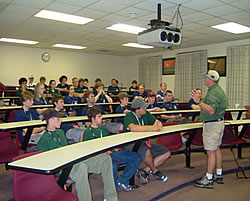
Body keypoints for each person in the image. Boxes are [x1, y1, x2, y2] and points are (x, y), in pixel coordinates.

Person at [36, 108, 118, 201]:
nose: (61, 120)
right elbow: (45, 164)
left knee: (105, 158)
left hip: (71, 161)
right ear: (50, 120)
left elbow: (67, 150)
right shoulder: (44, 140)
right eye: (58, 118)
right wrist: (61, 178)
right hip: (63, 167)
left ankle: (111, 197)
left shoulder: (60, 132)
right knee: (81, 167)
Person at [83, 107, 141, 192]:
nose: (101, 118)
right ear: (93, 119)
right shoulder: (87, 133)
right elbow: (88, 151)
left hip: (111, 153)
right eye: (99, 116)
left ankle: (121, 181)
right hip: (101, 157)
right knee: (112, 165)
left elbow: (109, 143)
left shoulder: (104, 129)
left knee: (136, 157)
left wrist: (114, 148)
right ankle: (113, 189)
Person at [191, 70, 227, 189]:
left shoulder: (213, 93)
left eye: (206, 78)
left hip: (212, 125)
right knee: (216, 148)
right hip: (218, 123)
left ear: (211, 80)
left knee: (210, 151)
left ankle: (209, 178)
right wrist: (199, 102)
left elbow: (211, 111)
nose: (205, 80)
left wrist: (199, 101)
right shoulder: (216, 91)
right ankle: (219, 173)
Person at [123, 98, 171, 185]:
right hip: (131, 144)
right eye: (143, 107)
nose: (146, 109)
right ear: (137, 109)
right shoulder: (129, 116)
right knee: (147, 151)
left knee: (166, 153)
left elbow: (157, 122)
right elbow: (134, 128)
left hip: (144, 142)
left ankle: (145, 171)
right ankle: (155, 171)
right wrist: (153, 128)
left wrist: (158, 124)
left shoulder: (146, 114)